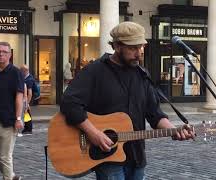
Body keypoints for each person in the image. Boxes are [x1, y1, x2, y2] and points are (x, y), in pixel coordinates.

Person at [60, 21, 195, 180]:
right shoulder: (95, 71)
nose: (139, 53)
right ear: (117, 46)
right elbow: (69, 103)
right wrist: (94, 133)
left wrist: (174, 130)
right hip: (107, 157)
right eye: (133, 48)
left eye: (141, 47)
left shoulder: (142, 74)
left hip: (137, 156)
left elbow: (154, 113)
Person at [0, 42, 24, 180]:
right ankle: (11, 175)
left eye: (4, 52)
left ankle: (8, 177)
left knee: (5, 157)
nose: (0, 54)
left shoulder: (15, 72)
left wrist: (18, 119)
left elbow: (19, 97)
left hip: (8, 122)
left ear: (10, 55)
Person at [20, 65, 34, 134]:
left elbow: (30, 93)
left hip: (28, 98)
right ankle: (27, 128)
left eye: (21, 71)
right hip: (27, 98)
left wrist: (27, 103)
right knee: (26, 113)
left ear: (24, 71)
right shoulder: (27, 78)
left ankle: (28, 129)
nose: (20, 72)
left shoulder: (29, 80)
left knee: (27, 113)